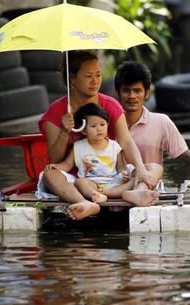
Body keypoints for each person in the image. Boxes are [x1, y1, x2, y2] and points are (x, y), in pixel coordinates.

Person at [37, 51, 158, 220]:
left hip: (113, 176)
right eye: (88, 76)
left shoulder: (110, 105)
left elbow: (125, 141)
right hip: (78, 181)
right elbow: (56, 159)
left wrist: (141, 169)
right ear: (72, 79)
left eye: (98, 75)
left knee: (153, 168)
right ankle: (85, 203)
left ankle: (136, 193)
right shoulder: (56, 112)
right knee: (49, 175)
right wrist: (65, 132)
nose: (95, 81)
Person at [114, 61, 190, 195]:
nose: (132, 96)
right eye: (126, 91)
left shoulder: (161, 122)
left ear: (147, 94)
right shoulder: (105, 124)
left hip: (151, 193)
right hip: (115, 192)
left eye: (137, 91)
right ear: (117, 92)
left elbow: (187, 157)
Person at [46, 103, 143, 215]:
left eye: (102, 124)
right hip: (91, 184)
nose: (99, 129)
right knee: (79, 182)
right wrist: (57, 167)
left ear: (107, 125)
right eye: (93, 126)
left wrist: (123, 173)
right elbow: (68, 164)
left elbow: (121, 166)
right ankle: (98, 195)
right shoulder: (78, 146)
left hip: (113, 182)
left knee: (132, 180)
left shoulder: (114, 146)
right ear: (83, 130)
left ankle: (112, 194)